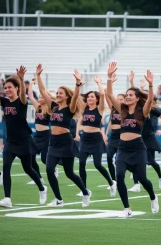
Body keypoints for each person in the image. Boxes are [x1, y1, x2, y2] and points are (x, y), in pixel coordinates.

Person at [0, 67, 47, 208]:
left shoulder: (22, 102)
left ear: (16, 88)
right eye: (6, 88)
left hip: (24, 140)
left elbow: (22, 94)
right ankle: (7, 198)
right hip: (10, 142)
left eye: (10, 88)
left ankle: (42, 188)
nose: (7, 90)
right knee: (6, 167)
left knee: (28, 169)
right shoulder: (4, 102)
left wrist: (20, 78)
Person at [106, 62, 159, 218]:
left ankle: (153, 196)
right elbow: (109, 95)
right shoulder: (121, 110)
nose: (127, 97)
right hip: (122, 148)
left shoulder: (142, 111)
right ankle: (127, 208)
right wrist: (109, 78)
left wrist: (150, 85)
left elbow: (149, 100)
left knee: (142, 178)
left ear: (136, 98)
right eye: (126, 95)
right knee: (120, 175)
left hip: (138, 148)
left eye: (130, 95)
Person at [36, 63, 90, 207]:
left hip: (66, 141)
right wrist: (38, 75)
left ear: (66, 96)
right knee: (49, 168)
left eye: (61, 93)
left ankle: (85, 192)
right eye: (57, 93)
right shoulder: (53, 106)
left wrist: (78, 84)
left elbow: (76, 96)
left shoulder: (70, 108)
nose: (58, 94)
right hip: (53, 141)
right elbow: (42, 90)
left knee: (69, 173)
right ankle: (59, 199)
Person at [77, 76, 116, 198]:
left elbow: (103, 95)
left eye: (92, 97)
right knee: (81, 163)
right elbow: (77, 98)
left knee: (97, 165)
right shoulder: (85, 109)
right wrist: (79, 84)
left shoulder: (99, 109)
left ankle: (111, 183)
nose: (89, 98)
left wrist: (99, 83)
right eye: (88, 97)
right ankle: (84, 189)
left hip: (96, 139)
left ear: (97, 100)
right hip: (85, 139)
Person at [27, 78, 57, 185]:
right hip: (37, 136)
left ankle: (54, 169)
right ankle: (39, 178)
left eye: (41, 97)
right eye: (39, 97)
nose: (39, 99)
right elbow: (30, 96)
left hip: (46, 136)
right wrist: (31, 84)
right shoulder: (37, 107)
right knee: (30, 157)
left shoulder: (49, 108)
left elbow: (45, 94)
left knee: (44, 159)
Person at [105, 73, 125, 186]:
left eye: (121, 99)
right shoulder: (113, 108)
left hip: (122, 136)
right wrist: (106, 134)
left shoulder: (126, 110)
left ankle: (120, 179)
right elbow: (108, 95)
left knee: (119, 160)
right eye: (117, 99)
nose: (119, 100)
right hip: (113, 136)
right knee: (108, 158)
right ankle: (113, 181)